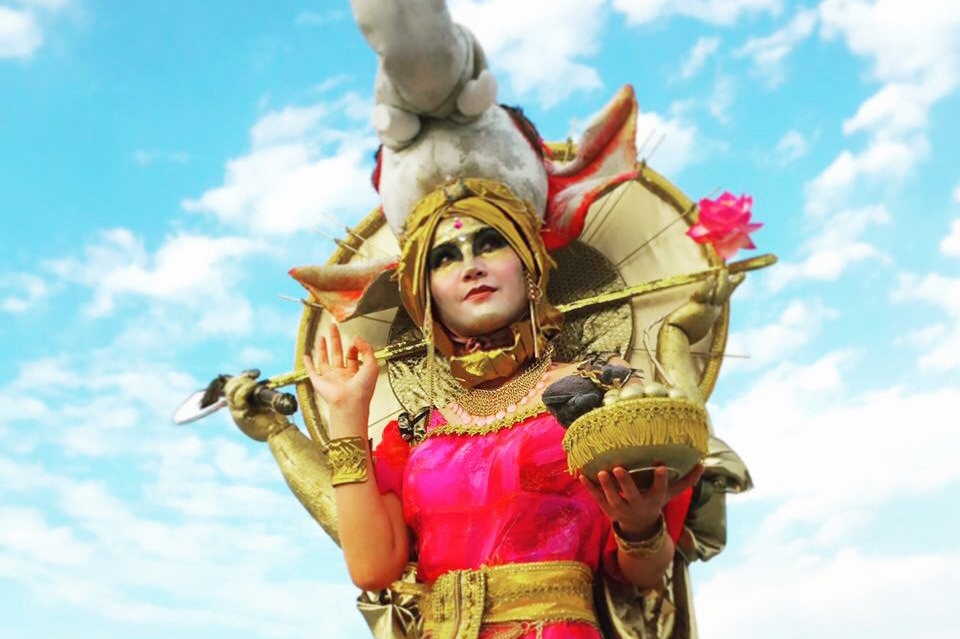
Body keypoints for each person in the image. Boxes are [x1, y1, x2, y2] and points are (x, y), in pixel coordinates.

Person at [291, 178, 715, 638]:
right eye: (444, 258)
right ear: (425, 299)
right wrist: (347, 413)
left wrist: (639, 525)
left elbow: (643, 574)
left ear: (530, 270)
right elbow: (372, 569)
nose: (471, 267)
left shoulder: (601, 388)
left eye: (490, 244)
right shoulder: (416, 435)